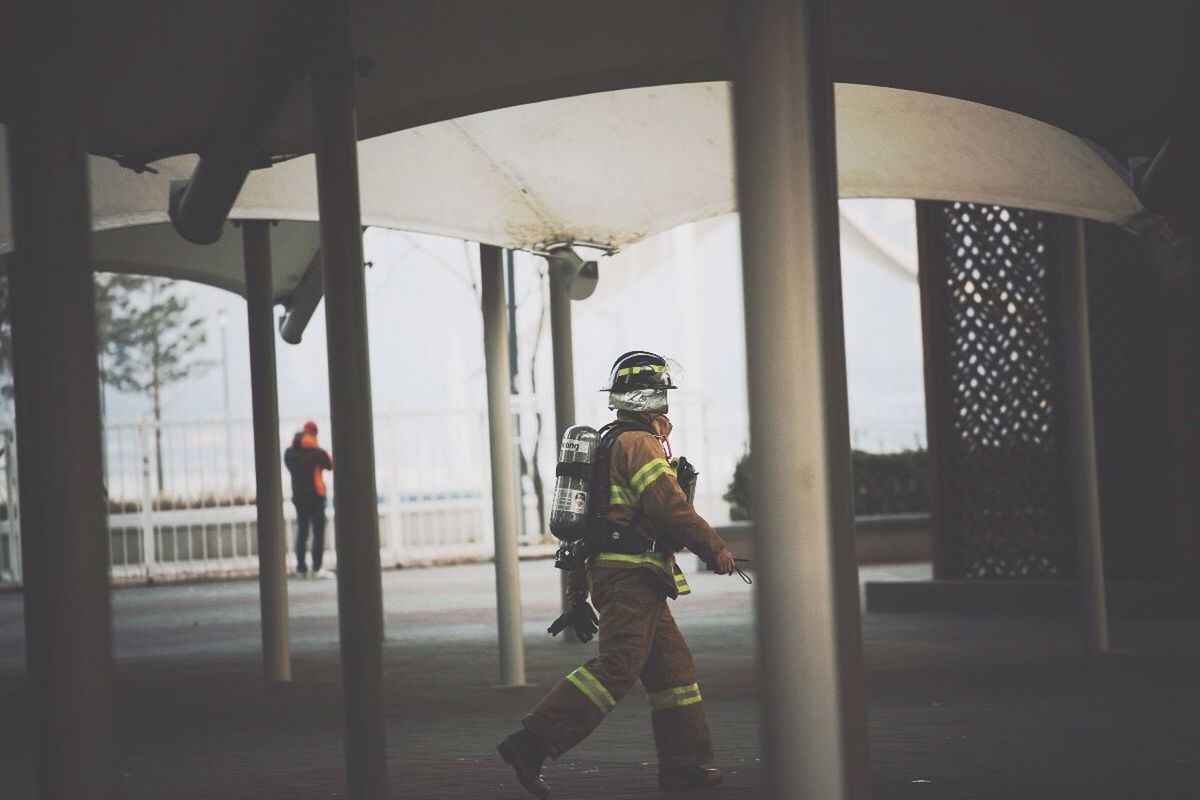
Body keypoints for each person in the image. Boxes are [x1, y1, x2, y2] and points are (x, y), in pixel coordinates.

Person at [498, 351, 738, 798]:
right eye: (663, 393)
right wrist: (714, 548)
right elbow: (668, 506)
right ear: (651, 396)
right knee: (617, 666)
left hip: (630, 576)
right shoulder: (637, 444)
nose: (666, 403)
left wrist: (577, 587)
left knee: (673, 673)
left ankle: (684, 768)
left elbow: (591, 521)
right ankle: (531, 744)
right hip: (631, 577)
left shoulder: (611, 440)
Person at [283, 420, 333, 579]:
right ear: (314, 434)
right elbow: (330, 464)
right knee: (318, 532)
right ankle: (317, 567)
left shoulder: (289, 453)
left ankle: (301, 568)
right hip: (317, 496)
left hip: (299, 497)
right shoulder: (318, 453)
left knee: (302, 531)